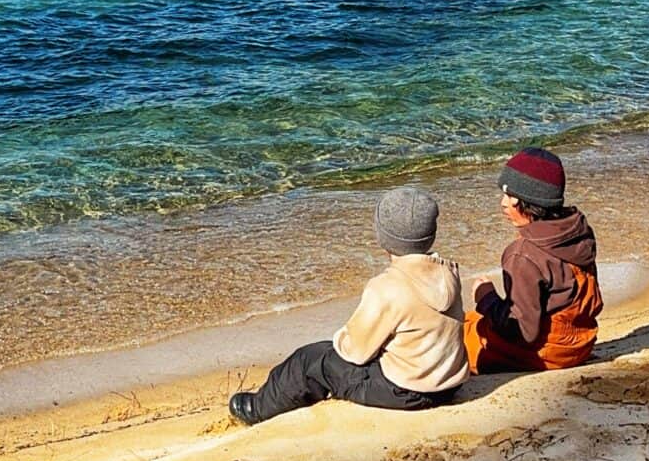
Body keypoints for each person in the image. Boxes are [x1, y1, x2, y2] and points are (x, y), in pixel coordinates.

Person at [229, 186, 468, 425]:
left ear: (383, 235)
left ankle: (257, 408)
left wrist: (344, 339)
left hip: (406, 392)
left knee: (311, 360)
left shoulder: (386, 286)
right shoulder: (449, 273)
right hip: (449, 384)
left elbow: (353, 352)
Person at [465, 148, 601, 373]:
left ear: (528, 201)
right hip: (581, 343)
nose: (503, 203)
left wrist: (486, 297)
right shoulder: (576, 231)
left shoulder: (522, 255)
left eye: (510, 196)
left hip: (546, 353)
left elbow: (522, 331)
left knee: (457, 336)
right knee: (471, 320)